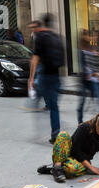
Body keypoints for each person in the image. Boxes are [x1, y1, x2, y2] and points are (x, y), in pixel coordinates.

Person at [38, 113, 99, 183]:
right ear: (97, 124)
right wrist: (90, 167)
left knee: (72, 170)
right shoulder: (84, 127)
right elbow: (75, 150)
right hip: (68, 153)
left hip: (81, 161)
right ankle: (57, 167)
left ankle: (52, 169)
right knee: (63, 135)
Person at [29, 13, 65, 144]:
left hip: (45, 75)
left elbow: (35, 59)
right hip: (56, 76)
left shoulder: (40, 37)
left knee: (37, 97)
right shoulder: (58, 37)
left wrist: (31, 79)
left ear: (43, 23)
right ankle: (55, 134)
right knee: (54, 106)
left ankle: (35, 102)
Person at [77, 31, 99, 124]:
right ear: (82, 38)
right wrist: (93, 73)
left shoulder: (92, 48)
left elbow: (97, 62)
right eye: (85, 35)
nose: (88, 37)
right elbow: (83, 66)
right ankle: (80, 121)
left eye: (88, 35)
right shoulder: (81, 51)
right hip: (85, 80)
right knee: (82, 101)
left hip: (94, 80)